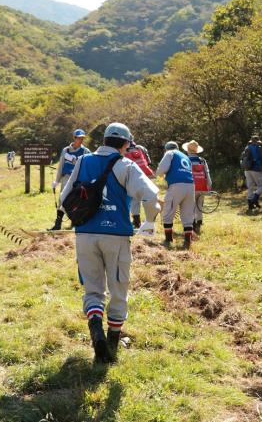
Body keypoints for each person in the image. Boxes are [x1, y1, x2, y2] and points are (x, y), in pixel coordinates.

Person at [60, 122, 160, 363]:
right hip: (116, 235)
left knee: (93, 288)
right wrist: (149, 222)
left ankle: (96, 327)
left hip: (85, 234)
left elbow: (64, 199)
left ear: (104, 140)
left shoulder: (83, 161)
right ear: (125, 144)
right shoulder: (126, 165)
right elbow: (151, 195)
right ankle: (112, 343)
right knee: (118, 288)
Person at [156, 141, 195, 249]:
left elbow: (162, 169)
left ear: (166, 149)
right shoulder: (185, 156)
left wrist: (158, 173)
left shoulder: (169, 153)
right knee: (187, 214)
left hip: (176, 185)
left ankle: (168, 239)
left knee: (168, 212)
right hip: (191, 185)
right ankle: (188, 241)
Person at [49, 129, 91, 230]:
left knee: (76, 200)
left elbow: (88, 165)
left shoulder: (85, 151)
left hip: (78, 179)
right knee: (62, 199)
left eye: (82, 138)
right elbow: (61, 166)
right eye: (79, 138)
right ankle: (58, 224)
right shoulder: (65, 150)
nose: (81, 140)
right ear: (74, 138)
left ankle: (75, 222)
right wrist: (57, 181)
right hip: (66, 177)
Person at [183, 140, 211, 235]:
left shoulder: (185, 159)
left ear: (188, 150)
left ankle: (193, 224)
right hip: (202, 185)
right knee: (200, 205)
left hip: (190, 185)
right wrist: (209, 184)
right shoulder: (202, 160)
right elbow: (207, 172)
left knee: (191, 206)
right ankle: (199, 223)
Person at [125, 138, 154, 228]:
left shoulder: (123, 149)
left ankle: (136, 221)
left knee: (134, 199)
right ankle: (149, 223)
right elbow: (149, 162)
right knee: (147, 199)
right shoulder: (141, 148)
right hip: (146, 176)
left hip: (134, 176)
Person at [241, 135, 262, 211]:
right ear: (257, 141)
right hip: (256, 169)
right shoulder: (258, 148)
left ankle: (250, 205)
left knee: (250, 187)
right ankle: (254, 199)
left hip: (247, 170)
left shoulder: (247, 148)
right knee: (261, 187)